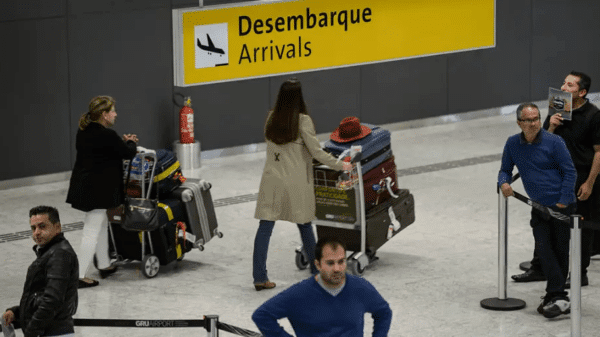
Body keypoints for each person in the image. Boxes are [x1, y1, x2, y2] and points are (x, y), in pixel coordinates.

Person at [252, 78, 350, 291]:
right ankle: (318, 273)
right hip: (295, 183)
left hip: (271, 181)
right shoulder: (303, 120)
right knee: (305, 226)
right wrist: (340, 165)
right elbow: (316, 152)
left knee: (265, 228)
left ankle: (259, 277)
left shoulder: (271, 117)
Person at [513, 71, 600, 287]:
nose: (563, 87)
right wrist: (551, 124)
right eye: (563, 82)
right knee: (544, 221)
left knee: (581, 228)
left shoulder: (593, 116)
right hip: (553, 177)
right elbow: (540, 141)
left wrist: (589, 183)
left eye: (569, 85)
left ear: (582, 92)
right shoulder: (558, 107)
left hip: (580, 179)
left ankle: (580, 273)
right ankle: (540, 267)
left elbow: (599, 152)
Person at [498, 103, 577, 318]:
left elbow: (570, 173)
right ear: (519, 123)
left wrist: (562, 201)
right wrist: (504, 183)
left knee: (560, 250)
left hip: (562, 206)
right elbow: (505, 169)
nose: (533, 124)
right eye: (528, 120)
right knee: (544, 249)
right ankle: (557, 296)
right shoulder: (513, 144)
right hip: (538, 207)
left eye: (536, 119)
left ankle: (557, 295)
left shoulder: (554, 142)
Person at [252, 237, 392, 336]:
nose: (337, 268)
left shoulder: (360, 288)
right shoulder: (299, 294)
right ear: (318, 265)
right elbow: (262, 315)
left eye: (341, 261)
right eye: (330, 263)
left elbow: (383, 312)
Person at [66, 95, 138, 288]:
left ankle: (104, 264)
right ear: (104, 115)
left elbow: (109, 151)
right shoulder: (107, 135)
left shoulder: (85, 130)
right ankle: (79, 275)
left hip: (87, 185)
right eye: (113, 111)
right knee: (91, 229)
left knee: (101, 224)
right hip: (97, 190)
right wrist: (131, 142)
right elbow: (127, 153)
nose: (116, 114)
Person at [2, 206, 78, 337]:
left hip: (52, 332)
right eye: (33, 228)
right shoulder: (51, 251)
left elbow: (53, 300)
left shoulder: (60, 254)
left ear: (57, 227)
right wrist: (17, 312)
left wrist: (32, 332)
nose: (36, 232)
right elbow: (41, 294)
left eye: (42, 226)